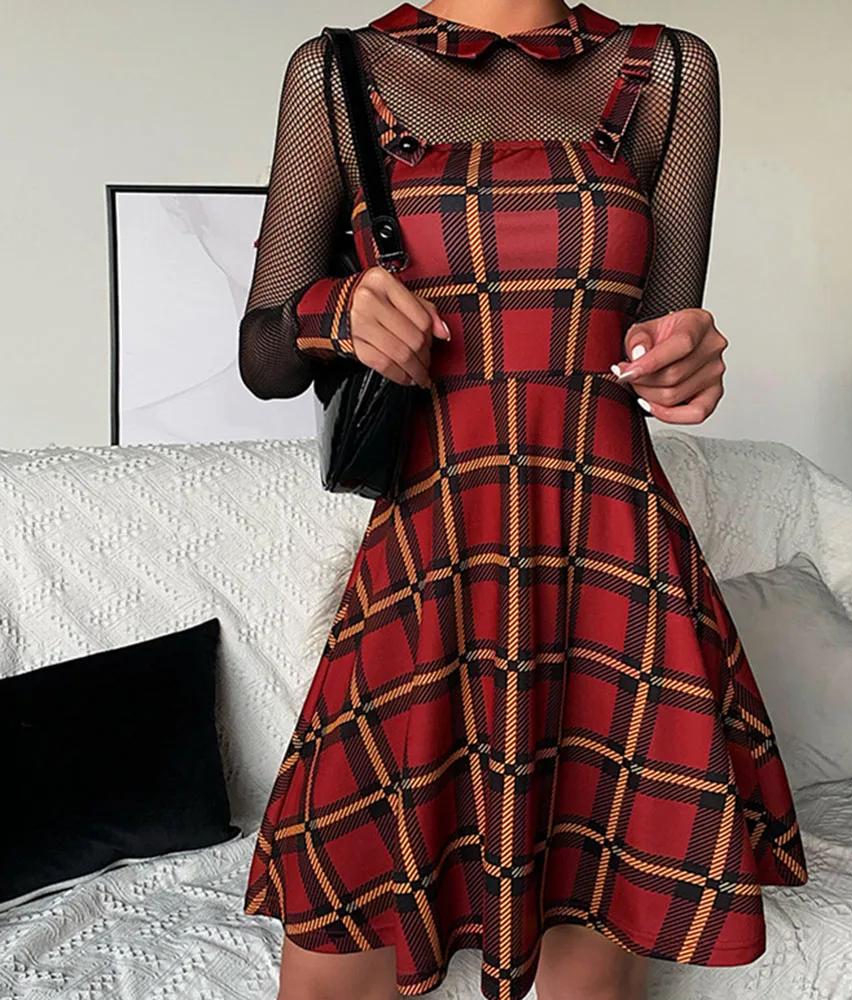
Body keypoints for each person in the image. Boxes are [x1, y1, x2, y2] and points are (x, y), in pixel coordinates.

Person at [238, 3, 809, 999]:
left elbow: (662, 335)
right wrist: (338, 308)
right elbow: (262, 355)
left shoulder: (669, 72)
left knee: (593, 951)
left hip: (609, 553)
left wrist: (689, 359)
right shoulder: (335, 72)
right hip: (429, 549)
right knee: (337, 943)